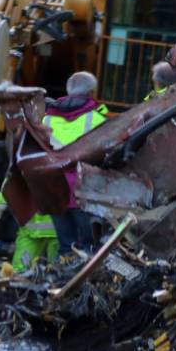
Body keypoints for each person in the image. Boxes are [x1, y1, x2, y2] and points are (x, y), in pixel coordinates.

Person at [44, 71, 109, 254]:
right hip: (82, 192)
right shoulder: (97, 120)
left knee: (66, 247)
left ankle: (61, 282)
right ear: (92, 92)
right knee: (89, 248)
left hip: (54, 191)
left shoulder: (46, 119)